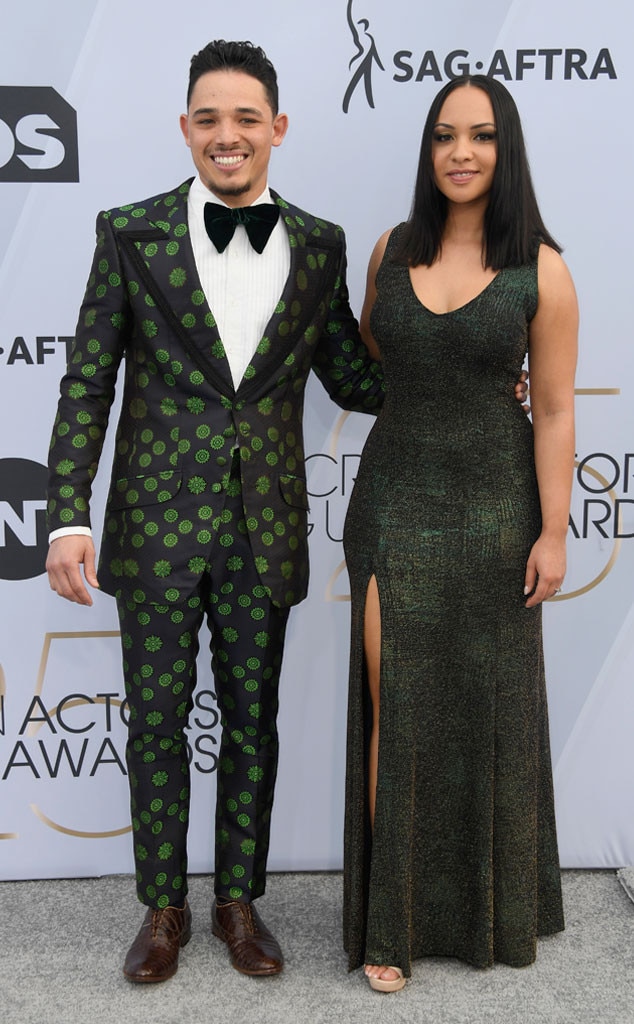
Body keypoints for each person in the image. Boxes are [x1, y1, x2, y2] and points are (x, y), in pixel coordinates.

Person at [44, 39, 387, 984]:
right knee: (154, 721)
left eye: (246, 119)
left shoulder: (319, 245)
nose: (227, 136)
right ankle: (164, 909)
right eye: (208, 118)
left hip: (263, 525)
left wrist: (461, 373)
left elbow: (353, 376)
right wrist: (67, 510)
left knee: (252, 721)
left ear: (276, 128)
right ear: (186, 128)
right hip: (152, 529)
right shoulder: (130, 231)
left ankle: (239, 901)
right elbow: (86, 382)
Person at [342, 75, 577, 991]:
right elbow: (377, 345)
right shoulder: (390, 250)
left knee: (483, 715)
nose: (461, 152)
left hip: (495, 510)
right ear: (428, 151)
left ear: (504, 149)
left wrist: (552, 533)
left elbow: (554, 409)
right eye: (444, 135)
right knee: (391, 702)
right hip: (393, 499)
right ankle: (386, 926)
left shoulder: (541, 269)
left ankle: (487, 908)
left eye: (480, 136)